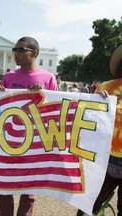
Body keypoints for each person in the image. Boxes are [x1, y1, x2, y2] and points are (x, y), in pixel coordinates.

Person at [0, 36, 58, 216]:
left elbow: (56, 110)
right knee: (4, 183)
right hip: (9, 137)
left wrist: (42, 96)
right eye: (15, 50)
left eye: (21, 50)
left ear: (34, 53)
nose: (17, 54)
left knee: (29, 188)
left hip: (35, 139)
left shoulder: (48, 78)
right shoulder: (9, 77)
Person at [76, 43, 122, 216]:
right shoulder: (107, 87)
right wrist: (95, 102)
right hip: (105, 159)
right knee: (89, 204)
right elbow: (89, 117)